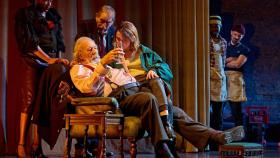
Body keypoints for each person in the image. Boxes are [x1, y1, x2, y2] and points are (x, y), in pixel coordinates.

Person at [70, 36, 177, 157]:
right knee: (149, 99)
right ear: (80, 54)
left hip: (134, 88)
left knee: (164, 100)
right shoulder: (77, 69)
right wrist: (102, 64)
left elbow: (124, 76)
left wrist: (124, 70)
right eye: (90, 49)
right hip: (118, 98)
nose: (95, 51)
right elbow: (87, 87)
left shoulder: (105, 66)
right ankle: (162, 147)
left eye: (95, 48)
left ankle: (167, 145)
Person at [14, 0, 69, 157]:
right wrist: (49, 60)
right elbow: (31, 44)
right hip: (33, 61)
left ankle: (37, 145)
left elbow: (57, 42)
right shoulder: (25, 15)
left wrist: (57, 60)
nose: (49, 2)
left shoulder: (53, 16)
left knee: (42, 103)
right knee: (30, 101)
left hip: (49, 64)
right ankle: (21, 145)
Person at [209, 15, 227, 150]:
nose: (216, 29)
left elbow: (223, 60)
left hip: (220, 78)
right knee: (208, 113)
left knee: (218, 113)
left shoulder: (223, 42)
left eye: (217, 26)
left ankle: (218, 143)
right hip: (209, 78)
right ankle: (208, 141)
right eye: (213, 26)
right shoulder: (205, 41)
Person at [225, 24, 250, 126]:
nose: (236, 37)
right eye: (235, 34)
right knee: (219, 107)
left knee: (236, 110)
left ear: (242, 37)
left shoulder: (245, 49)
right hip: (223, 78)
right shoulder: (224, 46)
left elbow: (237, 65)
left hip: (236, 79)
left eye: (239, 36)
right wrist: (233, 58)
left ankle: (239, 136)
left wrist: (228, 61)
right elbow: (217, 62)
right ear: (231, 32)